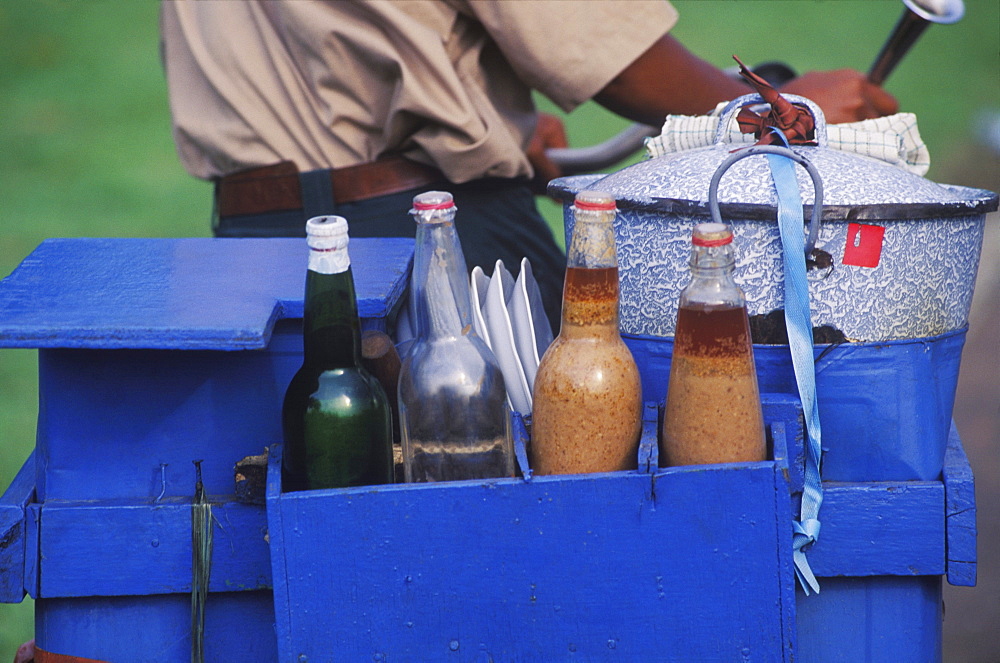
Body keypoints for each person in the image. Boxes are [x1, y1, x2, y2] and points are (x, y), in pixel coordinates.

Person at [159, 0, 897, 328]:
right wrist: (771, 106)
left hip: (249, 253)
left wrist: (483, 123)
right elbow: (593, 42)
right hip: (434, 240)